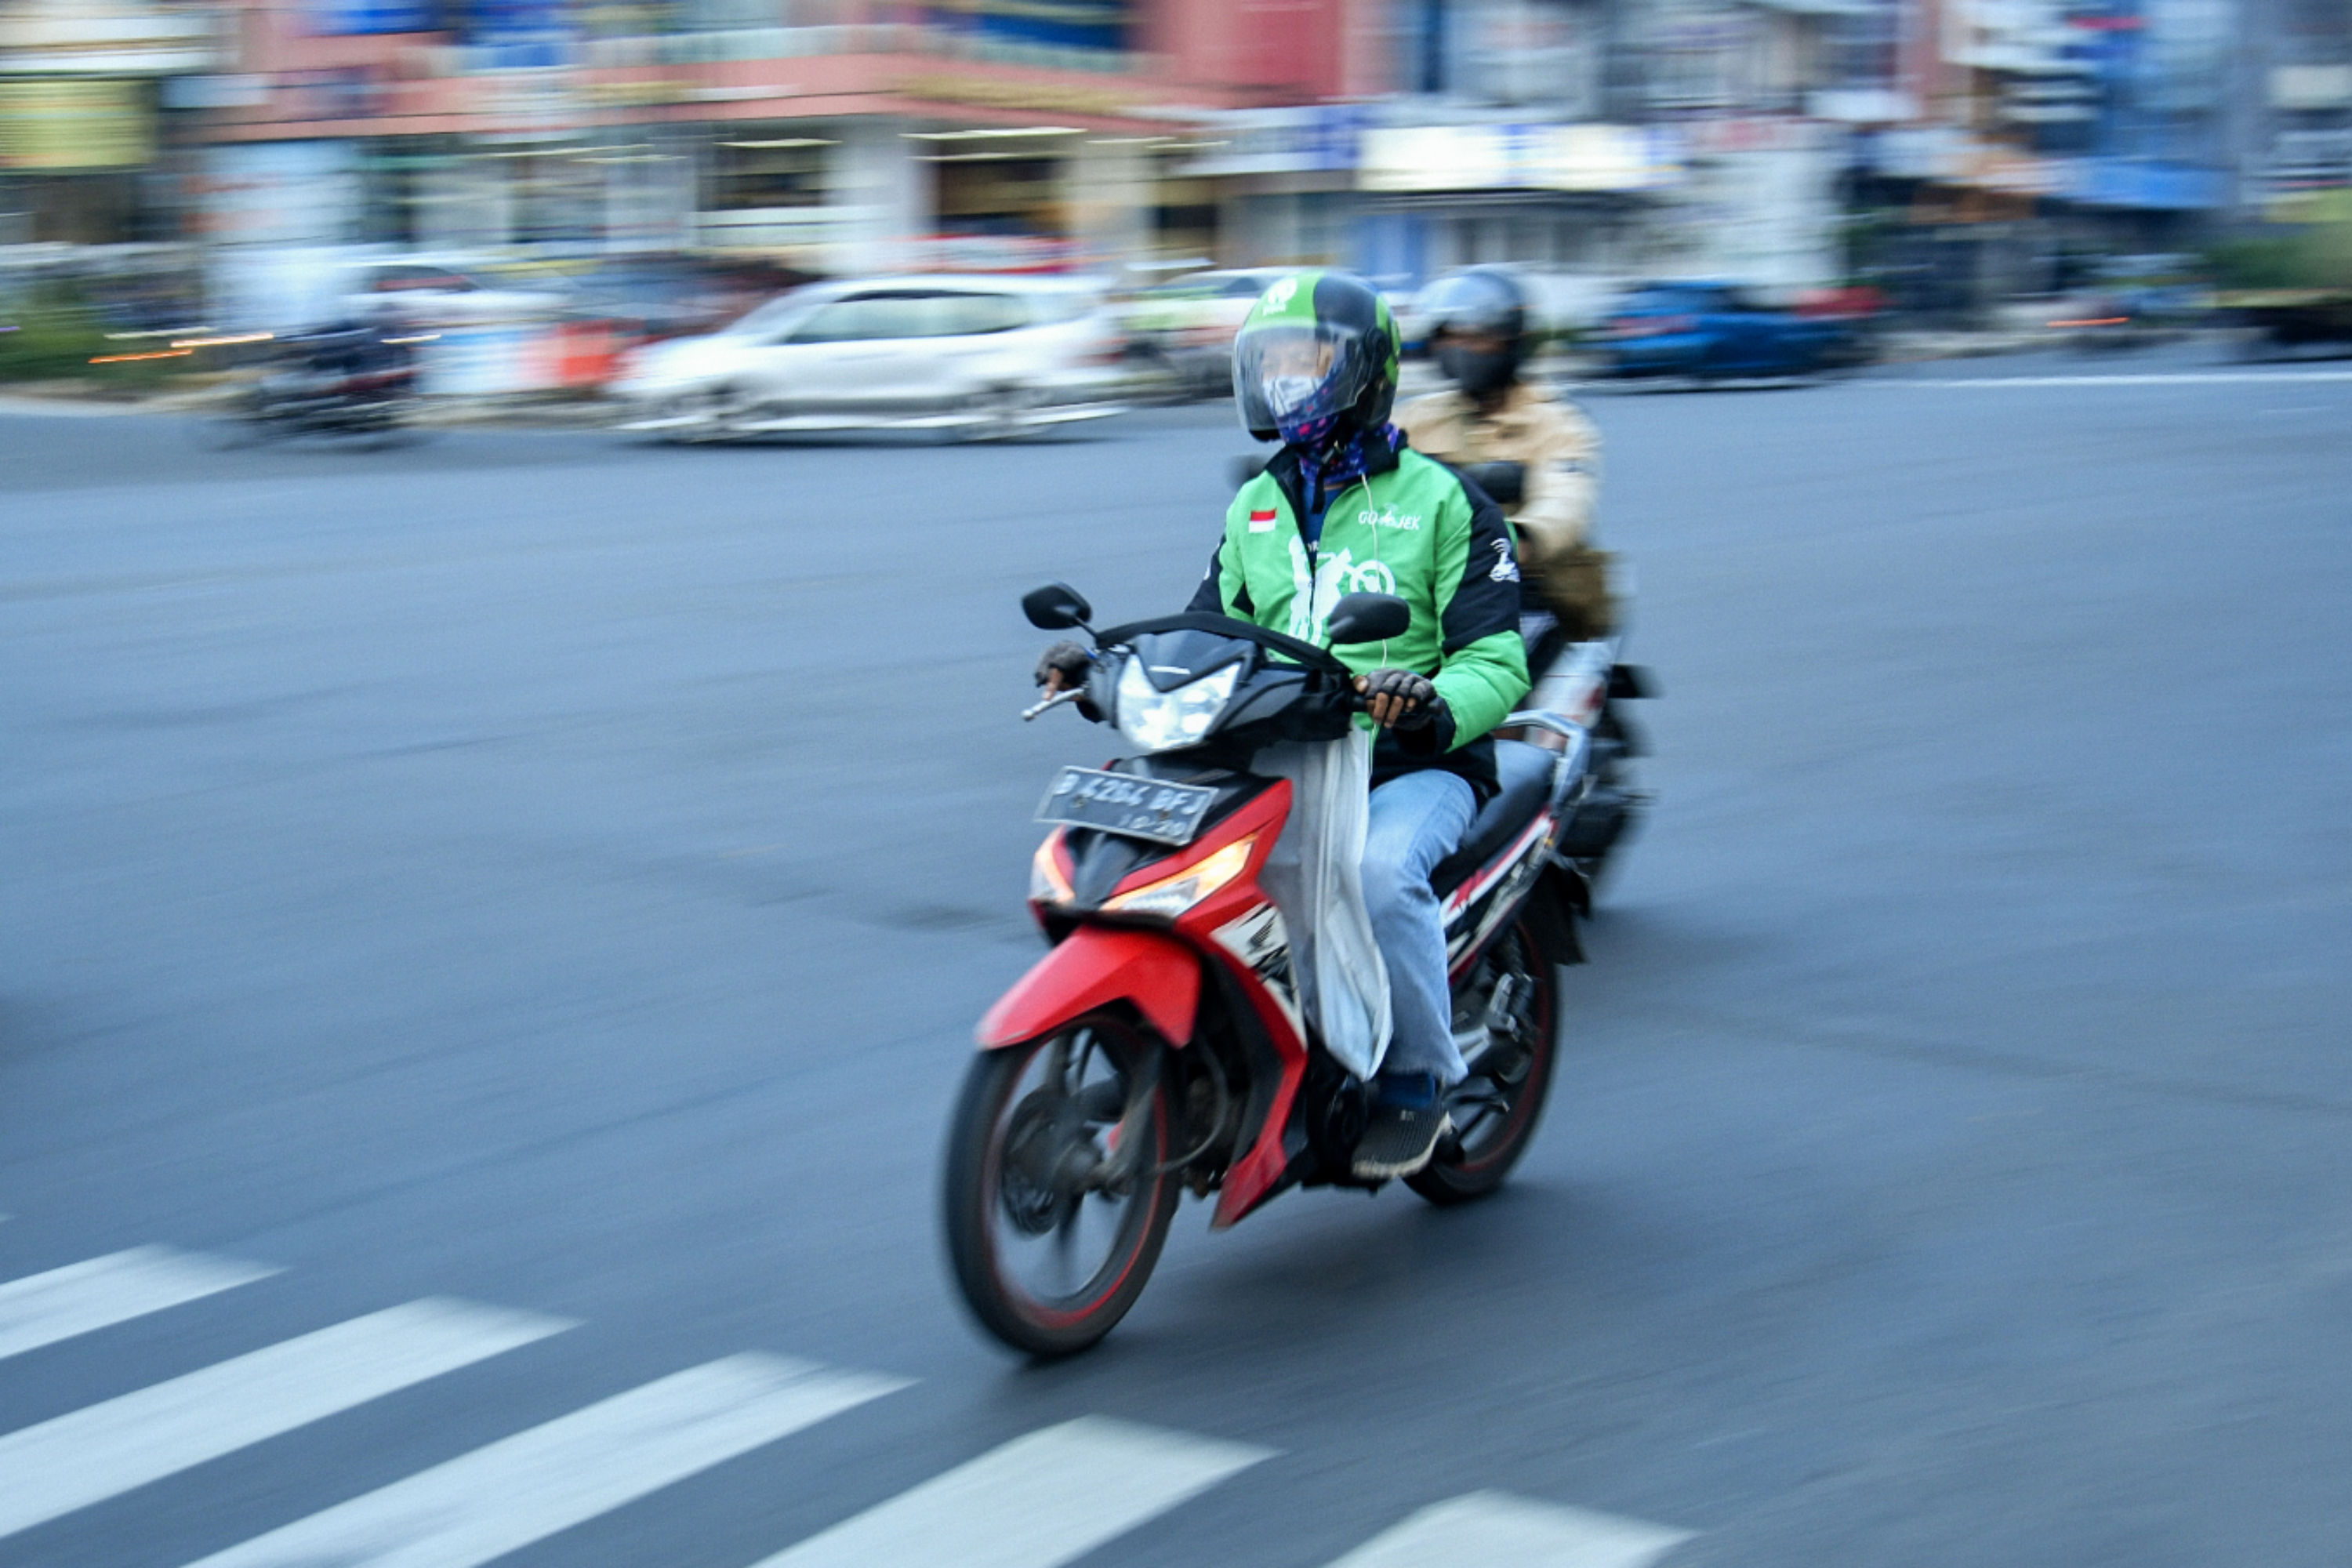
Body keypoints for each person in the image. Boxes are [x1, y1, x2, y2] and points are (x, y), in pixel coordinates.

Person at [1037, 270, 1529, 1179]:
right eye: (1271, 365)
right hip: (1284, 757)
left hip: (1412, 765)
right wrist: (1101, 664)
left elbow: (1498, 660)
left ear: (1364, 371)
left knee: (1378, 874)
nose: (1286, 383)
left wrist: (1430, 703)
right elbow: (1205, 631)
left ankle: (1417, 1076)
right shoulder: (1257, 504)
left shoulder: (1445, 500)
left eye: (1308, 362)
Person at [1396, 267, 1617, 652]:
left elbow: (1566, 500)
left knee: (1497, 695)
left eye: (1477, 338)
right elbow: (1357, 464)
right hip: (1419, 589)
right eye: (1449, 337)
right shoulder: (1416, 418)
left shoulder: (1556, 422)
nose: (1461, 348)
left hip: (1523, 596)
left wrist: (1522, 537)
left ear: (1513, 341)